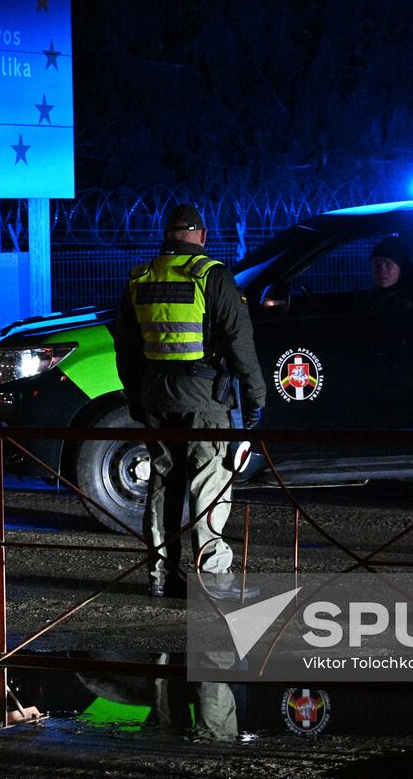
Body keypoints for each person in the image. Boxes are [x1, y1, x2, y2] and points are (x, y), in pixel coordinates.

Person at [115, 203, 266, 602]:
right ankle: (212, 578)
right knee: (208, 485)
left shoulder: (140, 278)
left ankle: (160, 575)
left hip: (156, 396)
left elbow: (125, 349)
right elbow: (240, 344)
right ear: (202, 235)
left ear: (167, 235)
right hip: (204, 400)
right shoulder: (212, 275)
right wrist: (255, 399)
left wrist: (136, 397)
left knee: (163, 484)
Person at [367, 234, 413, 311]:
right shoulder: (372, 297)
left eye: (388, 264)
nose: (381, 269)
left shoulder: (412, 300)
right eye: (376, 264)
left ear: (401, 267)